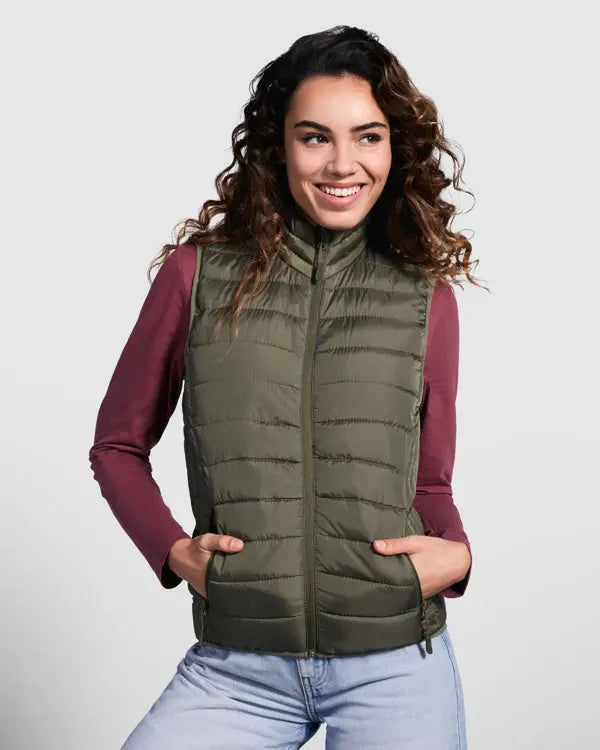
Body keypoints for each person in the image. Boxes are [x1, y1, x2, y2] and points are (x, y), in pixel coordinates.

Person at [89, 24, 483, 749]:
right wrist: (173, 551)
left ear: (394, 148)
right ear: (279, 147)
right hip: (238, 669)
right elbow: (116, 445)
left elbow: (428, 483)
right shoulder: (197, 276)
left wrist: (456, 554)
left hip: (395, 663)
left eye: (367, 137)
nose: (343, 163)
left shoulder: (424, 296)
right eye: (315, 137)